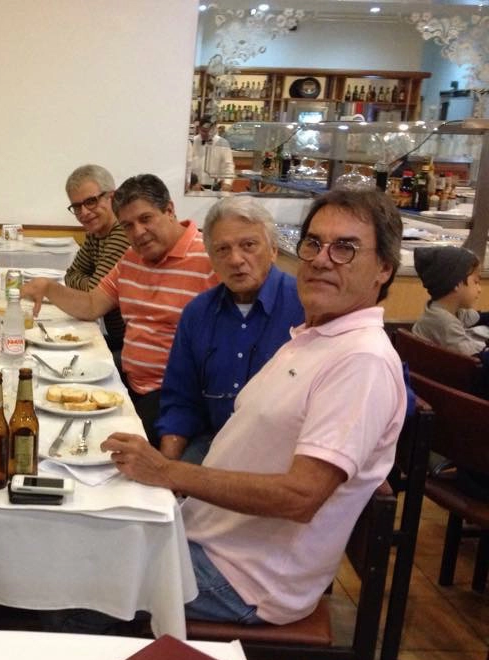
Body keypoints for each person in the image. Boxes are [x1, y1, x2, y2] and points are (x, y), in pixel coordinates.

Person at [103, 189, 407, 626]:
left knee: (74, 586)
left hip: (245, 579)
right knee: (81, 538)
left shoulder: (361, 361)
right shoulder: (314, 335)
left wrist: (168, 472)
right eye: (314, 244)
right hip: (213, 535)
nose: (322, 259)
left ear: (383, 269)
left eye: (345, 248)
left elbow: (301, 498)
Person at [23, 174, 216, 443]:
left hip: (172, 394)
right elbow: (92, 305)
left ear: (169, 210)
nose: (137, 232)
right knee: (46, 395)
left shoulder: (211, 258)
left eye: (146, 219)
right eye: (127, 225)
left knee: (93, 443)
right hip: (128, 380)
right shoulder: (131, 257)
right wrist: (48, 289)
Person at [156, 197, 304, 464]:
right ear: (211, 259)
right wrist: (167, 471)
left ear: (273, 250)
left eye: (249, 245)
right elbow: (181, 400)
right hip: (213, 445)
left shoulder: (308, 307)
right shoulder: (197, 313)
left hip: (285, 456)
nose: (236, 260)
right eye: (222, 249)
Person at [63, 164, 131, 353]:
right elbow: (70, 276)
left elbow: (94, 294)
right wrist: (91, 281)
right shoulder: (97, 232)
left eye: (91, 201)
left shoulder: (122, 233)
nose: (84, 212)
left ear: (112, 197)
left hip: (130, 347)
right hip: (118, 339)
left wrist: (92, 283)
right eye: (77, 206)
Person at [411, 245, 489, 356]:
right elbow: (476, 360)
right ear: (456, 284)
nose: (479, 289)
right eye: (475, 282)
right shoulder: (444, 324)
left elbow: (480, 318)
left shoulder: (446, 311)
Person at [187, 116, 235, 192]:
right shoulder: (192, 142)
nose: (207, 134)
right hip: (194, 188)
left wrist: (227, 183)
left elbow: (228, 166)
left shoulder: (223, 143)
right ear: (199, 128)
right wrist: (191, 181)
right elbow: (187, 165)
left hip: (216, 188)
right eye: (204, 131)